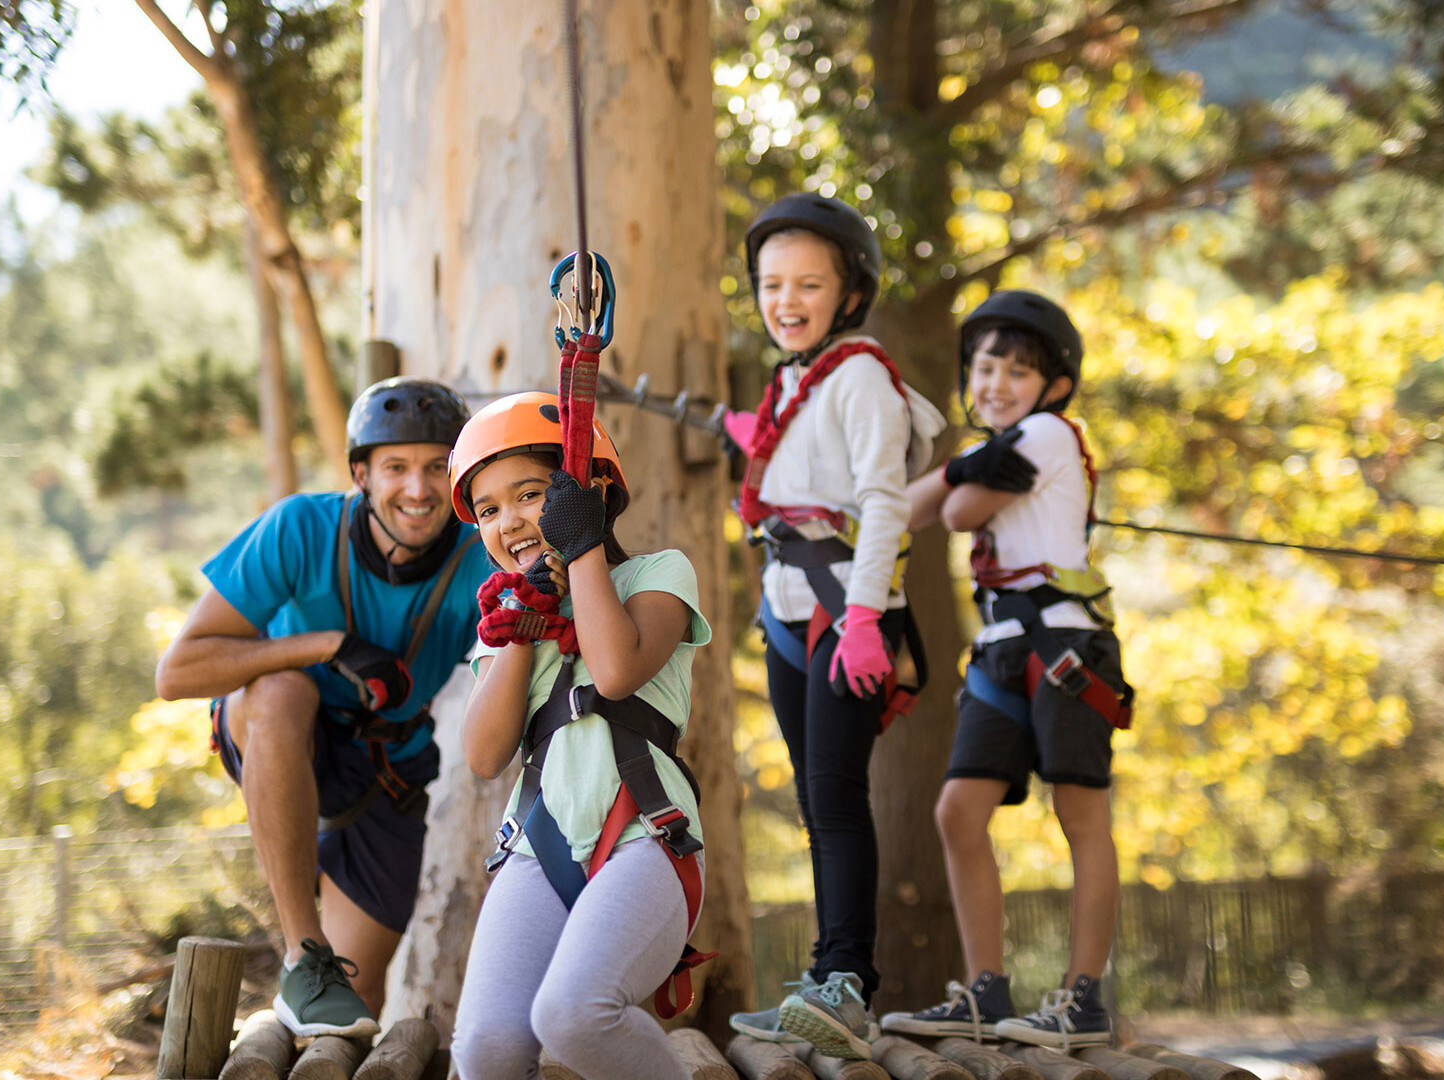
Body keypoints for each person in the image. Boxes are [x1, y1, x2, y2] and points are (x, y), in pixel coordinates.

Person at [154, 377, 493, 1038]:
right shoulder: (299, 529)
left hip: (387, 770)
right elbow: (177, 671)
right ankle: (301, 953)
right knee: (284, 690)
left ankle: (296, 1000)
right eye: (396, 468)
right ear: (362, 474)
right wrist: (328, 645)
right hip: (281, 731)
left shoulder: (480, 556)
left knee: (344, 1018)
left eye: (435, 469)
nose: (418, 491)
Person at [721, 194, 945, 1060]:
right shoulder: (791, 383)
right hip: (787, 607)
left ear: (851, 293)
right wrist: (768, 450)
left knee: (839, 796)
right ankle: (823, 979)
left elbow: (884, 502)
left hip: (843, 608)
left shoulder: (859, 375)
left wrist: (862, 620)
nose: (786, 300)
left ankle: (848, 983)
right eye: (772, 283)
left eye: (808, 283)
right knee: (818, 803)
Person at [883, 290, 1135, 1048]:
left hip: (1064, 649)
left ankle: (1082, 997)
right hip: (1001, 652)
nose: (996, 382)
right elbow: (906, 509)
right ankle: (985, 992)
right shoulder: (1001, 446)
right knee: (958, 811)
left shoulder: (1051, 433)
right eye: (985, 366)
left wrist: (955, 474)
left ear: (1053, 386)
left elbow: (956, 512)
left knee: (1080, 814)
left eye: (1019, 370)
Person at [448, 393, 712, 1080]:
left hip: (645, 838)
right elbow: (483, 755)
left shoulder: (657, 576)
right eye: (488, 509)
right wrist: (524, 617)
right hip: (539, 848)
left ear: (587, 492)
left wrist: (584, 543)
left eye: (531, 494)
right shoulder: (501, 625)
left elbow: (617, 670)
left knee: (573, 1014)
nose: (510, 521)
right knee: (487, 1048)